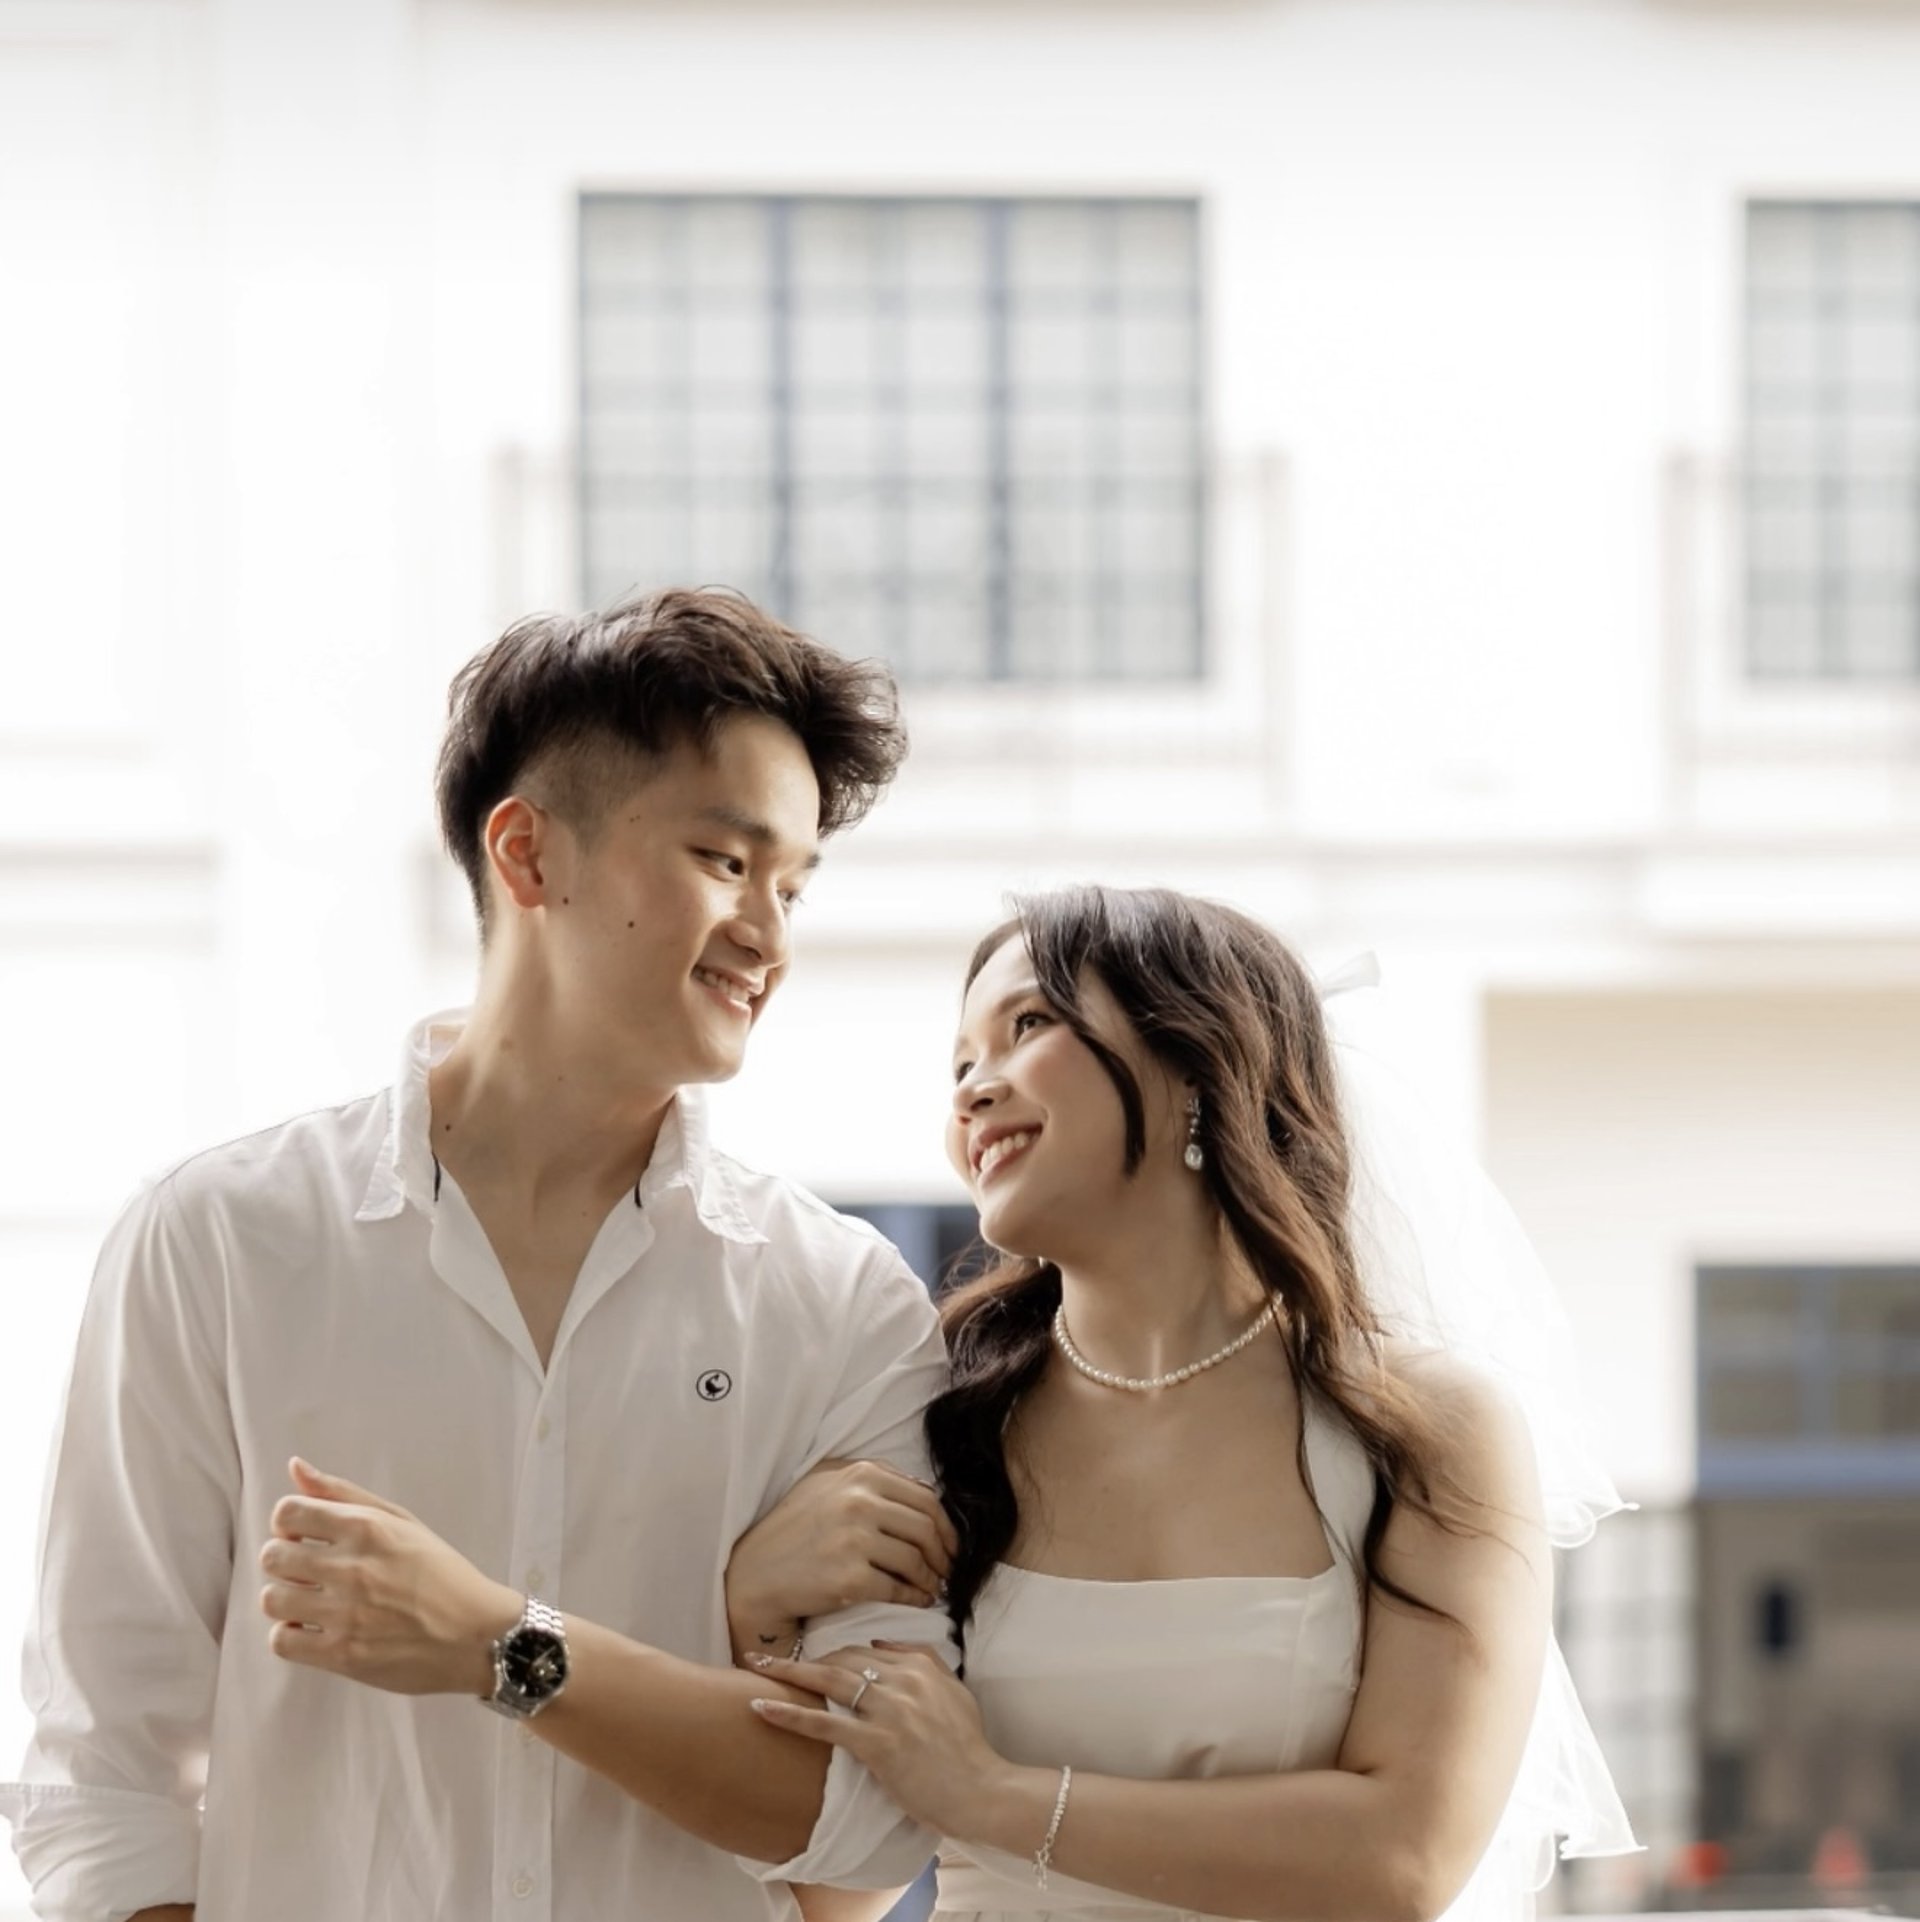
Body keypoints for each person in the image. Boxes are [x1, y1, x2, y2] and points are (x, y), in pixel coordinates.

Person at [0, 588, 957, 1922]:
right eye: (727, 863)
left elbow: (871, 1825)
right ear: (528, 855)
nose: (770, 939)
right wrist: (711, 1624)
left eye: (792, 886)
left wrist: (505, 1643)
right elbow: (103, 1774)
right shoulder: (217, 1240)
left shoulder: (842, 1302)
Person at [730, 885, 1636, 1921]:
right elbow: (837, 1896)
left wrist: (989, 1793)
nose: (973, 1091)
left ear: (1198, 1062)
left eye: (1026, 1025)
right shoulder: (929, 1406)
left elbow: (1403, 1860)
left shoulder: (1427, 1430)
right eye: (959, 1064)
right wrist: (755, 1606)